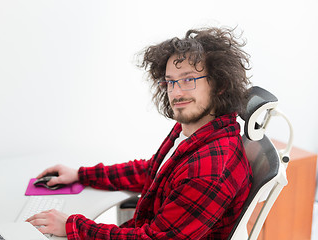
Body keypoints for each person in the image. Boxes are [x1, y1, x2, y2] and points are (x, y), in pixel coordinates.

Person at [27, 26, 253, 239]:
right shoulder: (195, 130)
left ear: (220, 83)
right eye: (171, 82)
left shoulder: (210, 170)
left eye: (188, 80)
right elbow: (154, 171)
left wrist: (72, 226)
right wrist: (81, 175)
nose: (176, 93)